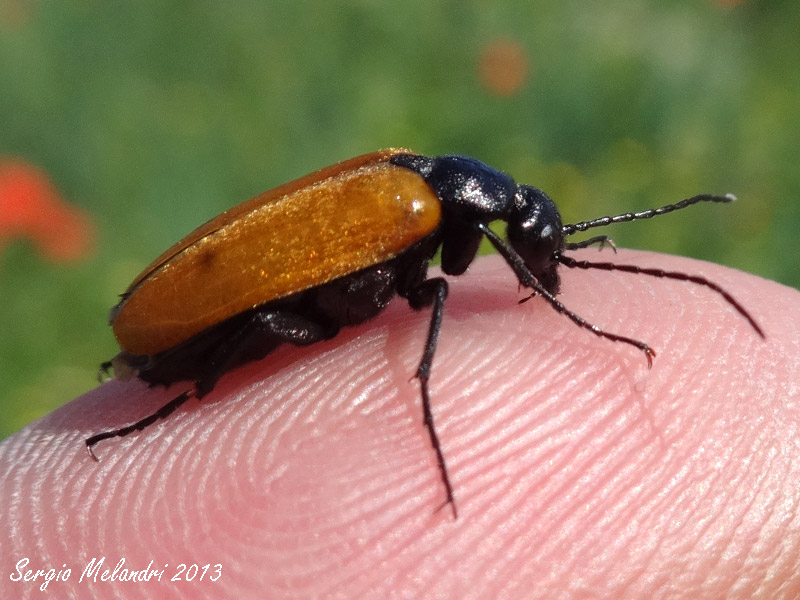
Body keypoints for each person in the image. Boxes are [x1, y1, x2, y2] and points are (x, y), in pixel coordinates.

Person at [1, 251, 797, 598]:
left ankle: (173, 392)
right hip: (187, 318)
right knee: (283, 319)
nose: (532, 269)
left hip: (175, 316)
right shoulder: (408, 209)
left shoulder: (424, 197)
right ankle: (177, 397)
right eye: (532, 260)